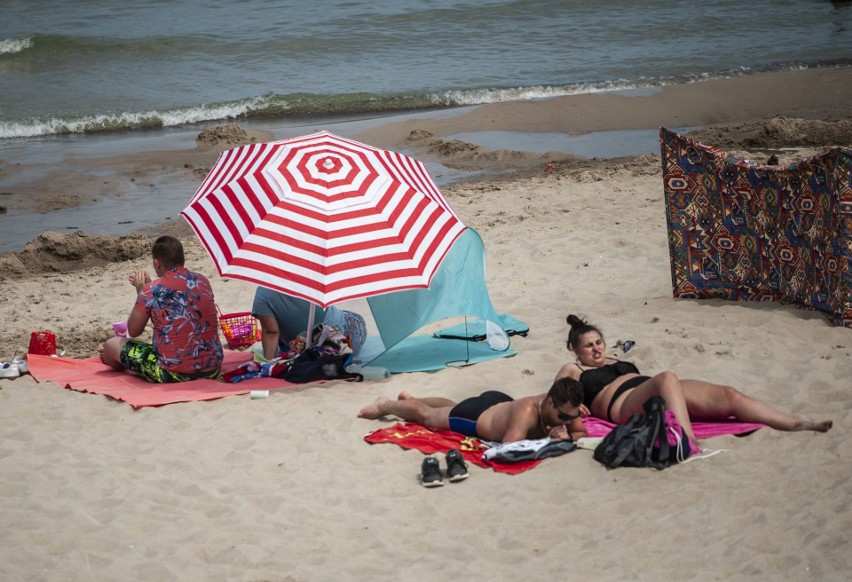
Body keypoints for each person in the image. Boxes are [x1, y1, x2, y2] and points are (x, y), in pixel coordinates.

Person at [555, 314, 833, 443]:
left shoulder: (618, 360)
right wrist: (573, 406)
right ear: (575, 350)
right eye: (589, 346)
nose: (597, 348)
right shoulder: (574, 369)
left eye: (599, 342)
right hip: (624, 405)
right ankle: (687, 438)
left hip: (659, 391)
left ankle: (795, 423)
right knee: (666, 377)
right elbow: (553, 401)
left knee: (729, 395)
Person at [99, 236, 224, 382]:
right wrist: (146, 289)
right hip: (212, 369)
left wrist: (141, 291)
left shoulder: (150, 291)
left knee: (111, 345)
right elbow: (175, 298)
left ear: (157, 263)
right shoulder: (203, 281)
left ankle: (116, 363)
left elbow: (133, 331)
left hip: (172, 373)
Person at [357, 377, 589, 443]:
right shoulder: (528, 412)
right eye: (563, 417)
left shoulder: (566, 408)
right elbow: (510, 447)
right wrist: (551, 440)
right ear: (549, 402)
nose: (567, 420)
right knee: (429, 416)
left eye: (571, 416)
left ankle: (412, 399)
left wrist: (569, 434)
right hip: (477, 418)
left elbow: (580, 433)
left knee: (453, 407)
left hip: (498, 404)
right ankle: (384, 405)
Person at [252, 287, 367, 360]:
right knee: (358, 319)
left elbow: (271, 332)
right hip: (339, 340)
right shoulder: (312, 278)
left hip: (297, 347)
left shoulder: (263, 293)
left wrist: (268, 363)